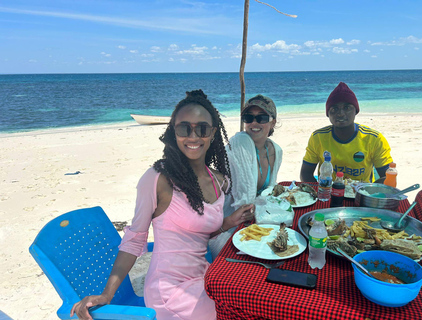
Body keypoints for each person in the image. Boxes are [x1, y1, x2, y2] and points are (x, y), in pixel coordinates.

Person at [71, 90, 254, 320]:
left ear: (213, 133)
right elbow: (134, 240)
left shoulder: (219, 181)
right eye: (184, 128)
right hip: (170, 291)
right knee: (238, 312)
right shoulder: (159, 179)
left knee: (252, 296)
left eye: (202, 128)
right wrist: (107, 294)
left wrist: (229, 221)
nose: (193, 136)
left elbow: (197, 234)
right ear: (173, 133)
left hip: (202, 277)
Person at [208, 94, 283, 259]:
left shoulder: (276, 151)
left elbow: (269, 190)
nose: (254, 123)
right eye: (248, 118)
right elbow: (244, 204)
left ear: (273, 122)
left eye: (261, 118)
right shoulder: (240, 142)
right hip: (227, 225)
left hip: (256, 220)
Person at [300, 82, 392, 183]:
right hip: (329, 193)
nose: (340, 114)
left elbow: (388, 177)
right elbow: (305, 174)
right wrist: (319, 193)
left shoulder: (374, 139)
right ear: (328, 114)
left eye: (347, 108)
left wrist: (367, 193)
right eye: (334, 109)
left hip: (361, 194)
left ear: (355, 111)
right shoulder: (318, 138)